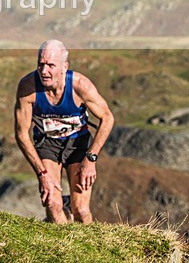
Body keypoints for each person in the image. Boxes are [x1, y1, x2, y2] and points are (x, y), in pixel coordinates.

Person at [14, 39, 115, 224]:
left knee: (81, 211)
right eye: (40, 64)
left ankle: (89, 241)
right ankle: (63, 239)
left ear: (64, 67)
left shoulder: (80, 86)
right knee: (53, 204)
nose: (44, 71)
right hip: (47, 143)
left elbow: (107, 118)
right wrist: (42, 174)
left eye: (51, 65)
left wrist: (91, 159)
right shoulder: (28, 88)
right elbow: (21, 133)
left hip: (78, 143)